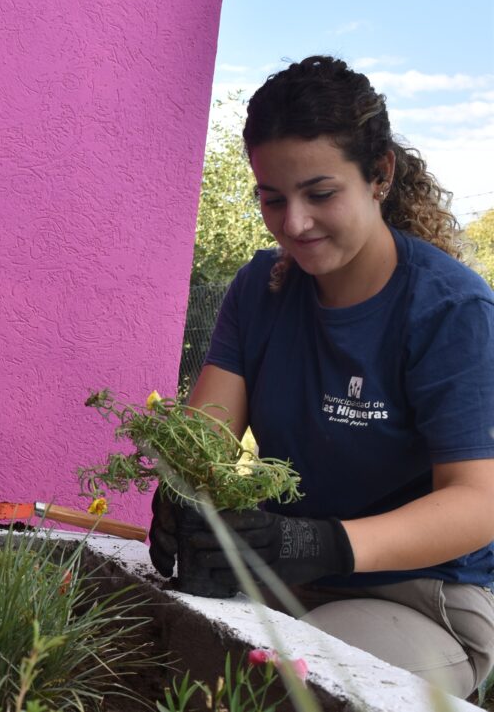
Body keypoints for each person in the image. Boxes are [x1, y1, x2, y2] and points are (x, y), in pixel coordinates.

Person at [150, 56, 494, 697]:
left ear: (379, 174)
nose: (294, 224)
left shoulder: (451, 311)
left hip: (424, 597)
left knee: (282, 689)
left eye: (320, 193)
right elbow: (204, 442)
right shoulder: (260, 289)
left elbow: (479, 502)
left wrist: (319, 543)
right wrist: (181, 494)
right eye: (272, 198)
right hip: (285, 579)